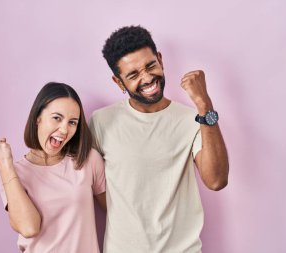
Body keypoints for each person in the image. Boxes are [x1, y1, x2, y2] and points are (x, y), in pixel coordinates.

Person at [88, 26, 229, 253]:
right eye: (133, 75)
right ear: (118, 82)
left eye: (150, 65)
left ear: (160, 60)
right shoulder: (102, 121)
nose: (147, 78)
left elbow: (216, 180)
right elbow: (92, 184)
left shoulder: (192, 119)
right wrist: (126, 217)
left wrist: (205, 105)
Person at [0, 82, 106, 253]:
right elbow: (29, 228)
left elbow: (116, 210)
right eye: (57, 118)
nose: (64, 130)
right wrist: (5, 164)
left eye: (72, 122)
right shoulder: (13, 172)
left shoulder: (88, 160)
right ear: (38, 118)